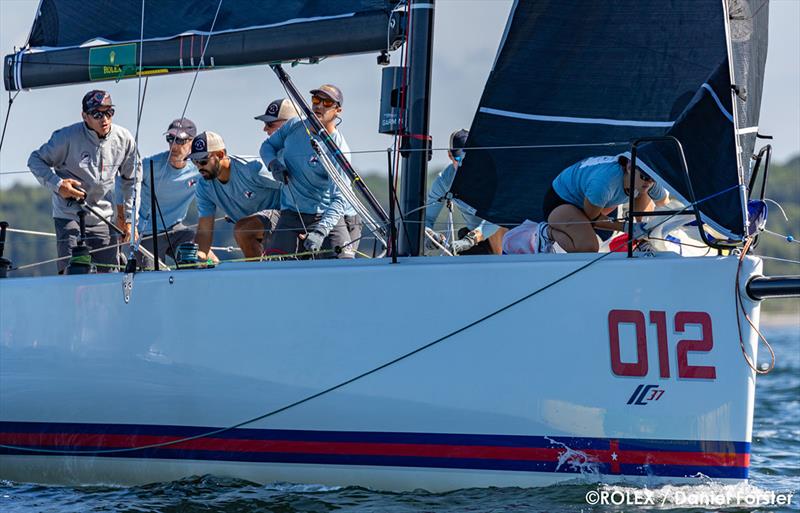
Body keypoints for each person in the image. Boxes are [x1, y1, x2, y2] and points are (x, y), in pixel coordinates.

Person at [28, 90, 141, 273]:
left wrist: (129, 219)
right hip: (69, 215)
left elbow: (131, 180)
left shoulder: (124, 139)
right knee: (71, 273)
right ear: (85, 116)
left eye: (109, 112)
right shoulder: (66, 137)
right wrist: (58, 185)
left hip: (103, 217)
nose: (104, 119)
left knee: (111, 275)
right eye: (97, 114)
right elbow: (35, 160)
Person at [259, 84, 356, 258]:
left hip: (325, 215)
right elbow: (267, 146)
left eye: (327, 103)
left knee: (344, 264)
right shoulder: (294, 125)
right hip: (291, 213)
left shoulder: (339, 149)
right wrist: (273, 164)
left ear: (337, 111)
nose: (319, 105)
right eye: (316, 100)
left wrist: (320, 232)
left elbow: (340, 199)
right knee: (274, 263)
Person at [542, 154, 670, 252]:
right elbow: (593, 219)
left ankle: (641, 237)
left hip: (593, 199)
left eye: (653, 179)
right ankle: (546, 232)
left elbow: (665, 203)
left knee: (643, 191)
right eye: (646, 178)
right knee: (589, 248)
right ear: (630, 168)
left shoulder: (646, 177)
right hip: (562, 202)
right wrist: (628, 228)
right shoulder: (604, 185)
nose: (649, 182)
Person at [188, 131, 282, 261]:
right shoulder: (203, 187)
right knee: (243, 229)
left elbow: (293, 185)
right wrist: (196, 257)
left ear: (220, 154)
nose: (199, 166)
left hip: (288, 217)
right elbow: (204, 231)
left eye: (203, 160)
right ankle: (257, 276)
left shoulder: (252, 169)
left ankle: (258, 274)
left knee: (243, 229)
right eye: (194, 161)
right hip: (258, 232)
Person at [132, 118, 203, 267]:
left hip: (176, 229)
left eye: (180, 140)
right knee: (150, 277)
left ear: (192, 142)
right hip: (147, 232)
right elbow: (124, 180)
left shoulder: (198, 169)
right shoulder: (149, 164)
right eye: (170, 139)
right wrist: (125, 222)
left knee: (194, 259)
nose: (173, 145)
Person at [425, 129, 504, 255]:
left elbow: (500, 215)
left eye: (469, 159)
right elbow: (427, 218)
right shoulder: (445, 181)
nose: (464, 165)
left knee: (501, 226)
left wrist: (471, 239)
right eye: (458, 158)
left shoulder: (493, 174)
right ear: (450, 156)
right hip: (476, 239)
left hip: (499, 233)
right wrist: (428, 235)